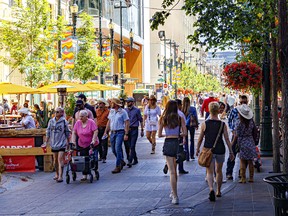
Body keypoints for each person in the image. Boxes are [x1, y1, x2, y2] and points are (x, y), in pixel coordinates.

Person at [196, 102, 234, 201]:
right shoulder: (222, 124)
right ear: (218, 111)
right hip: (220, 149)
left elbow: (200, 139)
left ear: (209, 110)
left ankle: (211, 189)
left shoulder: (204, 124)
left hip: (208, 149)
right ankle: (218, 191)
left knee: (209, 171)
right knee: (219, 171)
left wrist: (197, 149)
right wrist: (231, 152)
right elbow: (226, 139)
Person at [158, 100, 187, 205]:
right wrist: (179, 134)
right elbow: (185, 132)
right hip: (177, 143)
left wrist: (167, 134)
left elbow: (159, 134)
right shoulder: (180, 118)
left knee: (172, 172)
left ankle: (174, 195)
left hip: (168, 142)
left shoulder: (163, 118)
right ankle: (173, 192)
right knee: (175, 170)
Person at [103, 98, 130, 174]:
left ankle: (118, 166)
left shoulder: (123, 112)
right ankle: (121, 160)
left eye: (112, 103)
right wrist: (106, 131)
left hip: (120, 132)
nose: (110, 104)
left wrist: (126, 133)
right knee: (113, 149)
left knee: (118, 148)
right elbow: (109, 121)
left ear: (115, 104)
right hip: (112, 132)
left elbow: (127, 122)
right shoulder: (111, 111)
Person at [232, 104, 257, 183]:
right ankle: (251, 177)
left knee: (242, 161)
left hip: (242, 141)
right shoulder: (251, 122)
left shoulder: (238, 122)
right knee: (250, 161)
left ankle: (243, 178)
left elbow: (236, 135)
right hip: (250, 140)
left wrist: (232, 143)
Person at [226, 94, 249, 180]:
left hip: (245, 136)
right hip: (236, 135)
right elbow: (229, 120)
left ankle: (241, 172)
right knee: (232, 153)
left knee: (245, 155)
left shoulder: (248, 111)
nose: (243, 103)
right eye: (241, 102)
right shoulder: (235, 110)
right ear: (238, 102)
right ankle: (229, 172)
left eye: (245, 102)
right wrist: (232, 130)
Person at [44, 107, 70, 183]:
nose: (58, 113)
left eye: (59, 112)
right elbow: (48, 131)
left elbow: (67, 132)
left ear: (62, 113)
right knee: (55, 160)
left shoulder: (64, 122)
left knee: (60, 159)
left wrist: (68, 142)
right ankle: (57, 174)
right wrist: (46, 141)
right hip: (53, 143)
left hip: (62, 143)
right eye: (56, 112)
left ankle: (61, 176)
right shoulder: (51, 121)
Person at [71, 110, 99, 181]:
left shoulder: (91, 122)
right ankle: (84, 174)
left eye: (82, 116)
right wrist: (73, 141)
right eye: (80, 116)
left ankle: (95, 169)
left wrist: (93, 140)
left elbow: (95, 131)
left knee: (92, 158)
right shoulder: (77, 123)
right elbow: (74, 132)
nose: (80, 118)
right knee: (83, 158)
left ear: (86, 117)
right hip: (82, 143)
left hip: (91, 143)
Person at [125, 97, 144, 167]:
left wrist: (142, 130)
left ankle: (130, 160)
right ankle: (135, 159)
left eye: (129, 102)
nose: (127, 103)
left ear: (132, 102)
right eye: (127, 102)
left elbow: (141, 120)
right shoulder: (125, 110)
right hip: (127, 130)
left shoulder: (137, 110)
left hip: (134, 129)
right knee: (128, 146)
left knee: (132, 145)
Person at [96, 98, 110, 163]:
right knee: (98, 143)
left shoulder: (108, 111)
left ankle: (104, 157)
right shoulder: (96, 111)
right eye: (99, 103)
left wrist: (107, 130)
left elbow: (109, 121)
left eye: (101, 103)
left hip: (105, 128)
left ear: (104, 104)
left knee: (104, 143)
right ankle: (101, 156)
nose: (100, 105)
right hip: (98, 128)